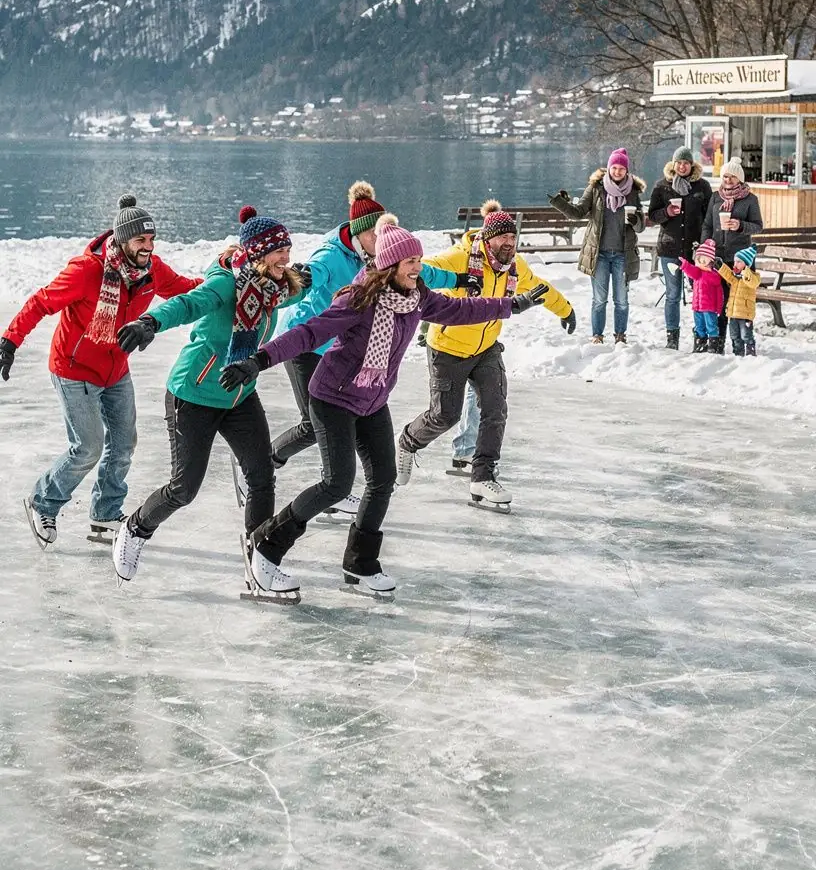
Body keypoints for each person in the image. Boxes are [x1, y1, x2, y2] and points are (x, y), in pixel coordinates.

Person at [218, 215, 552, 599]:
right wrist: (257, 360)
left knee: (382, 481)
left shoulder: (416, 296)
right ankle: (266, 544)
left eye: (419, 261)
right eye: (411, 262)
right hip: (333, 398)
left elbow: (461, 311)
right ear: (390, 265)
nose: (418, 268)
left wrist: (511, 304)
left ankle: (360, 564)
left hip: (372, 399)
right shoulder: (357, 300)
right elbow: (309, 333)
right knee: (336, 484)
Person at [110, 206, 304, 583]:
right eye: (278, 251)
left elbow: (312, 284)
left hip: (238, 394)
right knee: (184, 489)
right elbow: (189, 303)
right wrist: (151, 321)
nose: (286, 258)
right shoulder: (225, 284)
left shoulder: (276, 288)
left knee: (262, 475)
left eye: (288, 251)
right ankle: (134, 529)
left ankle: (260, 559)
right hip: (194, 394)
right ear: (257, 254)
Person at [0, 195, 198, 545]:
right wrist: (9, 342)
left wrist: (227, 281)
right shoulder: (87, 271)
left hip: (116, 369)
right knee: (88, 447)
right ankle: (43, 501)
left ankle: (106, 513)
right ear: (122, 241)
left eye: (152, 240)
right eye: (140, 240)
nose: (148, 247)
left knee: (124, 443)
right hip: (73, 370)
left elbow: (185, 290)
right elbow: (41, 302)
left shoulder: (152, 271)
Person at [268, 180, 461, 514]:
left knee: (334, 424)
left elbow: (417, 270)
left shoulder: (381, 258)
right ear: (360, 235)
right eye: (377, 236)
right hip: (305, 342)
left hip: (336, 348)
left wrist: (457, 279)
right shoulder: (331, 254)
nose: (383, 242)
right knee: (316, 424)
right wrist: (303, 276)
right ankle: (267, 463)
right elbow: (313, 272)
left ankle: (330, 487)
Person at [396, 200, 576, 506]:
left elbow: (539, 288)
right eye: (503, 238)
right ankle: (408, 442)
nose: (509, 243)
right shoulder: (461, 257)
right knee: (445, 415)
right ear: (488, 238)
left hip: (486, 349)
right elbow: (427, 270)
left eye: (513, 238)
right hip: (448, 349)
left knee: (495, 409)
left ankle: (483, 477)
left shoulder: (515, 267)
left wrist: (565, 309)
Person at [550, 148, 645, 344]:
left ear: (626, 171)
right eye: (614, 167)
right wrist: (561, 203)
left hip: (623, 254)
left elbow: (641, 226)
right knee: (599, 299)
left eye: (621, 168)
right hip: (599, 253)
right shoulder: (596, 188)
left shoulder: (633, 192)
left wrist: (635, 220)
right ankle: (597, 335)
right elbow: (578, 212)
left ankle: (620, 335)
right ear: (609, 168)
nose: (617, 172)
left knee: (622, 300)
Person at [647, 145, 713, 349]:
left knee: (700, 295)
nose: (683, 166)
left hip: (696, 252)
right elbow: (652, 216)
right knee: (673, 295)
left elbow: (708, 219)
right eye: (679, 163)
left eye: (686, 163)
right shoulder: (662, 186)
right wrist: (666, 212)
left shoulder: (702, 187)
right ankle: (672, 338)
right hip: (669, 248)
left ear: (691, 165)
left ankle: (701, 336)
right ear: (673, 164)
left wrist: (705, 243)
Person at [700, 158, 763, 351]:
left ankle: (743, 343)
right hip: (718, 258)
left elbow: (758, 227)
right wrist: (706, 245)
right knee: (719, 301)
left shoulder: (750, 199)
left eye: (732, 176)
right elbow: (708, 225)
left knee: (739, 301)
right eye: (725, 176)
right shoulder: (715, 197)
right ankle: (717, 342)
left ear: (739, 179)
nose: (727, 180)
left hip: (740, 258)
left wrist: (740, 225)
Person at [679, 239, 724, 353]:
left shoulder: (713, 276)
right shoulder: (698, 273)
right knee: (699, 326)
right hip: (697, 306)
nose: (700, 262)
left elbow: (719, 294)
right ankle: (700, 343)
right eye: (698, 259)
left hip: (709, 307)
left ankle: (713, 344)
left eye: (703, 259)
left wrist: (719, 308)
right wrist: (685, 265)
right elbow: (691, 270)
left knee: (711, 325)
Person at [715, 246, 761, 356]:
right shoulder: (735, 278)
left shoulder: (753, 277)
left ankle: (750, 352)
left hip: (745, 315)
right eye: (735, 261)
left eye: (738, 262)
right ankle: (738, 352)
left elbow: (752, 283)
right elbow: (728, 274)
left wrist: (745, 272)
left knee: (746, 335)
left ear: (746, 264)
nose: (735, 264)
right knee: (734, 335)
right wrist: (720, 266)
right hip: (733, 313)